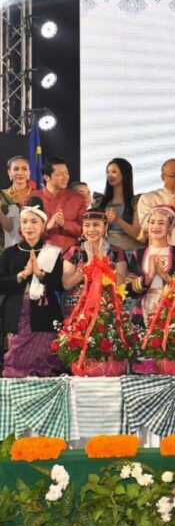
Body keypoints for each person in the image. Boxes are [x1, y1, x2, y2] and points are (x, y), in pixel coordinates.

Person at [0, 198, 67, 376]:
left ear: (43, 225)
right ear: (20, 226)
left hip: (44, 314)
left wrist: (40, 274)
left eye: (34, 221)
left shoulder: (52, 252)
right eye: (25, 221)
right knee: (15, 360)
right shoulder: (10, 253)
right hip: (16, 314)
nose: (29, 226)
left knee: (43, 364)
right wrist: (22, 275)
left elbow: (59, 285)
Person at [61, 208, 128, 315]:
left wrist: (103, 264)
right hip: (77, 308)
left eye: (96, 225)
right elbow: (66, 284)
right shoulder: (74, 251)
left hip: (107, 308)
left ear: (105, 227)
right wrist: (88, 265)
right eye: (87, 225)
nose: (91, 229)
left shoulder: (116, 252)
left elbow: (121, 283)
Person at [127, 205, 175, 326]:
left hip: (172, 313)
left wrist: (164, 276)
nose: (156, 226)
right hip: (142, 313)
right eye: (152, 222)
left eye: (161, 223)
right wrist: (149, 277)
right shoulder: (138, 254)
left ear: (170, 227)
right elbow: (129, 288)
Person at [29, 157, 86, 251]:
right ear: (46, 177)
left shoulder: (78, 199)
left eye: (66, 173)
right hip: (40, 252)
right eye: (59, 174)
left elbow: (84, 229)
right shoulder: (32, 199)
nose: (65, 177)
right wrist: (46, 227)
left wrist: (64, 224)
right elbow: (22, 231)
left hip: (71, 254)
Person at [96, 158, 143, 252]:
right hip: (107, 251)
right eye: (107, 172)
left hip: (130, 251)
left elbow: (138, 235)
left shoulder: (136, 201)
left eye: (114, 172)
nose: (109, 175)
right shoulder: (101, 202)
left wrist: (117, 220)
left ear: (125, 174)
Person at [1, 156, 35, 249]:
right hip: (5, 248)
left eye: (24, 169)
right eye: (16, 169)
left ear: (29, 172)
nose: (20, 173)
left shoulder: (38, 195)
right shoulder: (2, 196)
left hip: (32, 246)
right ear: (9, 172)